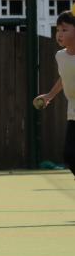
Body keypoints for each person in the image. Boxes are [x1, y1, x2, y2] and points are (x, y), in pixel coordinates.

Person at [35, 10, 75, 178]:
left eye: (65, 30)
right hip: (73, 112)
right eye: (58, 29)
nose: (59, 34)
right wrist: (49, 95)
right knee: (69, 155)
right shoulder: (61, 56)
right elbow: (64, 77)